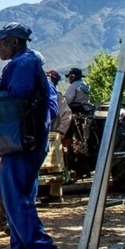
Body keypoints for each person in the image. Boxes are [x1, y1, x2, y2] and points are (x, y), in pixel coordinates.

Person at [0, 22, 65, 249]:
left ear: (14, 42)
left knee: (15, 197)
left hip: (23, 142)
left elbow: (16, 100)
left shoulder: (24, 64)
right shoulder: (25, 63)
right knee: (17, 197)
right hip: (24, 141)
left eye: (1, 41)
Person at [44, 70, 70, 202]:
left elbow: (67, 115)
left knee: (55, 164)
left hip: (53, 134)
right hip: (44, 133)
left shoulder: (58, 97)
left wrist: (60, 133)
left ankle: (55, 194)